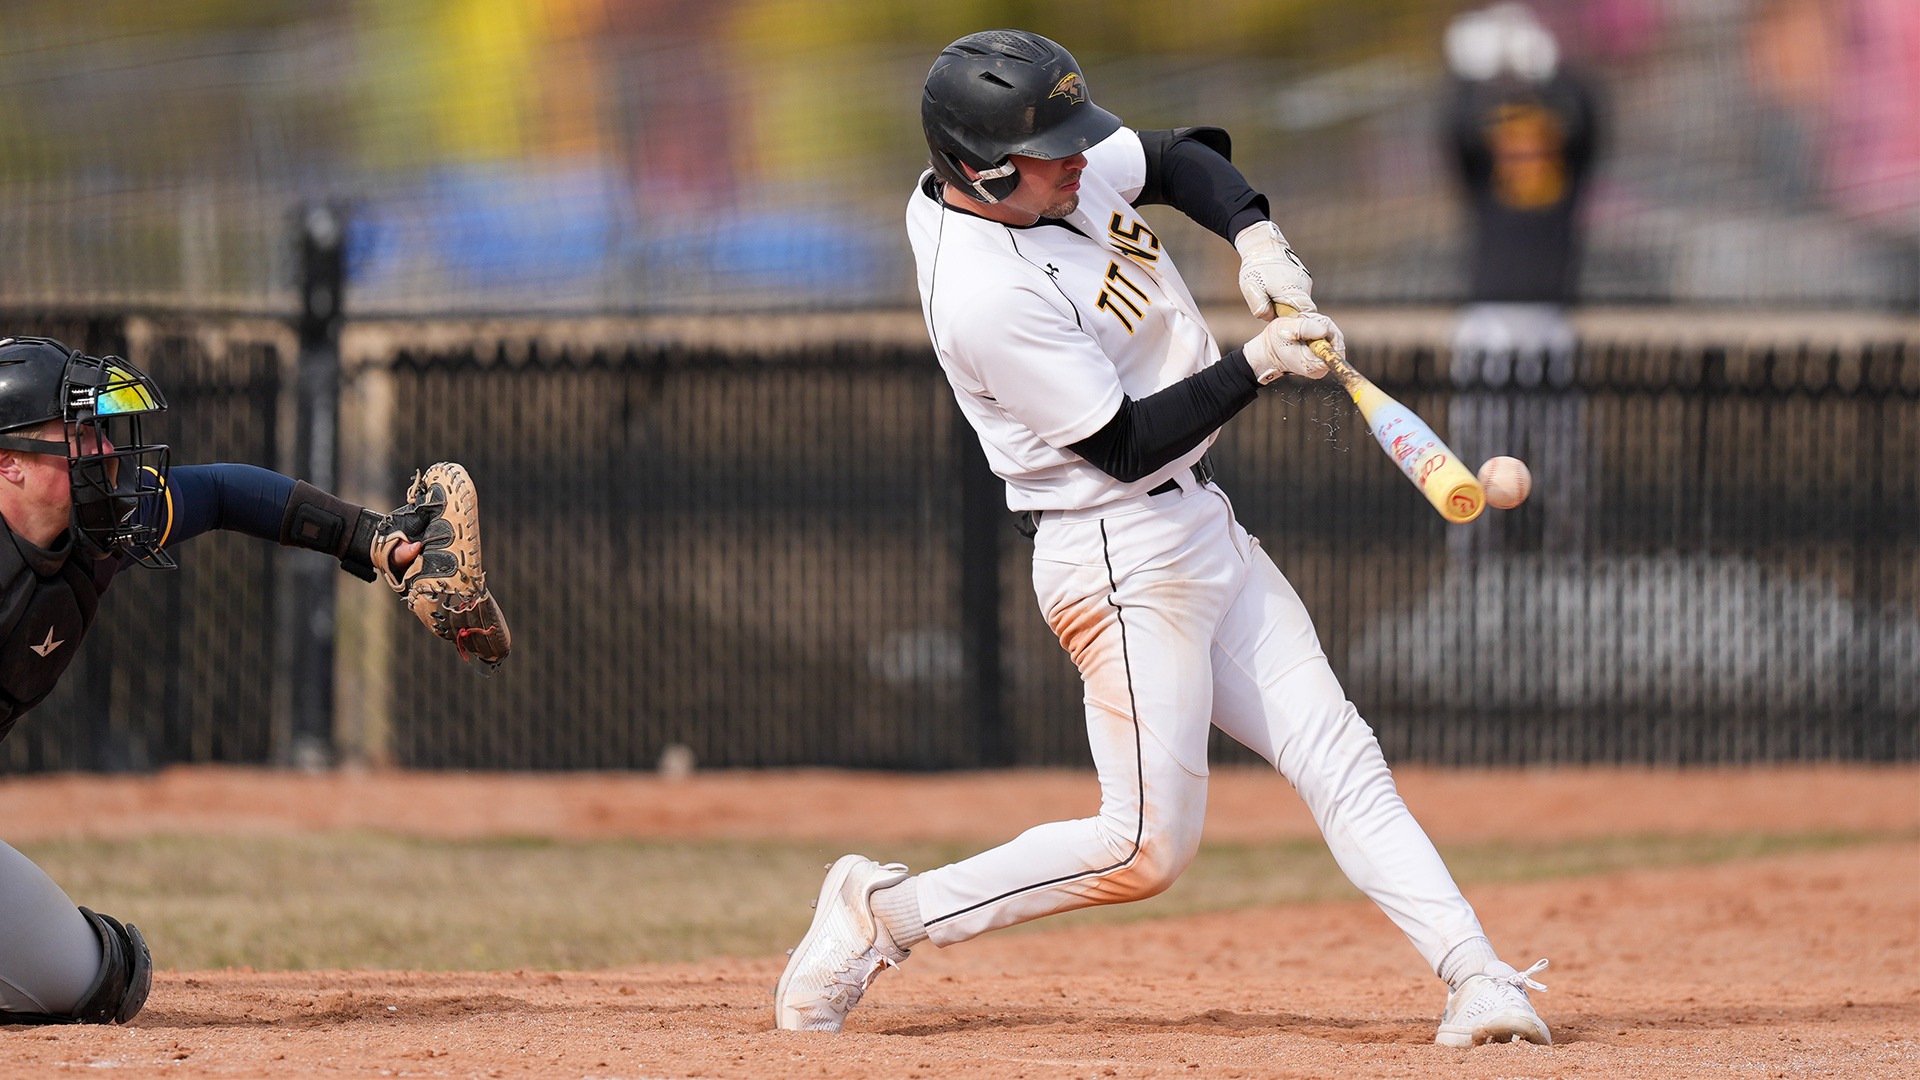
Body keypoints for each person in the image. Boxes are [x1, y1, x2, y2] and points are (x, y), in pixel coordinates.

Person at [772, 30, 1551, 1048]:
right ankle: (883, 919)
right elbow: (1125, 445)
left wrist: (1258, 241)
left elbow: (1181, 155)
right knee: (1144, 848)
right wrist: (1260, 361)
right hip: (1115, 554)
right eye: (1053, 151)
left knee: (1337, 753)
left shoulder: (1052, 177)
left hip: (1196, 522)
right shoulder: (984, 290)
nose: (1083, 162)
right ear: (982, 169)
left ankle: (1477, 976)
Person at [0, 334, 506, 1025]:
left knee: (105, 979)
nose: (108, 452)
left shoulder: (98, 525)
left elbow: (223, 493)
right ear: (10, 465)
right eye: (80, 437)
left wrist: (379, 543)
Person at [1442, 2, 1602, 560]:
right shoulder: (1487, 177)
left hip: (1549, 319)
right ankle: (1472, 563)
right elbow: (1458, 133)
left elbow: (1589, 118)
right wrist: (1476, 78)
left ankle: (1567, 556)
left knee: (1560, 456)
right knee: (1475, 453)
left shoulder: (1567, 173)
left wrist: (1551, 72)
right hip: (1489, 319)